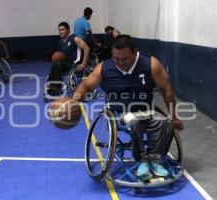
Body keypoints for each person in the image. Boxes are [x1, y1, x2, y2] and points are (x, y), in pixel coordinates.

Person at [72, 35, 183, 181]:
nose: (120, 62)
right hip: (118, 113)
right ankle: (142, 160)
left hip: (147, 111)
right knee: (134, 121)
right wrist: (73, 101)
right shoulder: (104, 68)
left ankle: (155, 159)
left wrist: (173, 116)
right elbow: (86, 85)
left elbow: (166, 89)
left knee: (164, 122)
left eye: (125, 59)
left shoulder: (150, 64)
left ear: (135, 52)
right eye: (116, 58)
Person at [45, 22, 90, 95]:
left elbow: (87, 48)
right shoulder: (60, 42)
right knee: (56, 63)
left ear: (68, 30)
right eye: (59, 30)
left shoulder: (75, 38)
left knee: (58, 64)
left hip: (75, 64)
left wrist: (83, 63)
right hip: (67, 64)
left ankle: (55, 87)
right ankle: (52, 85)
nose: (61, 32)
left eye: (63, 29)